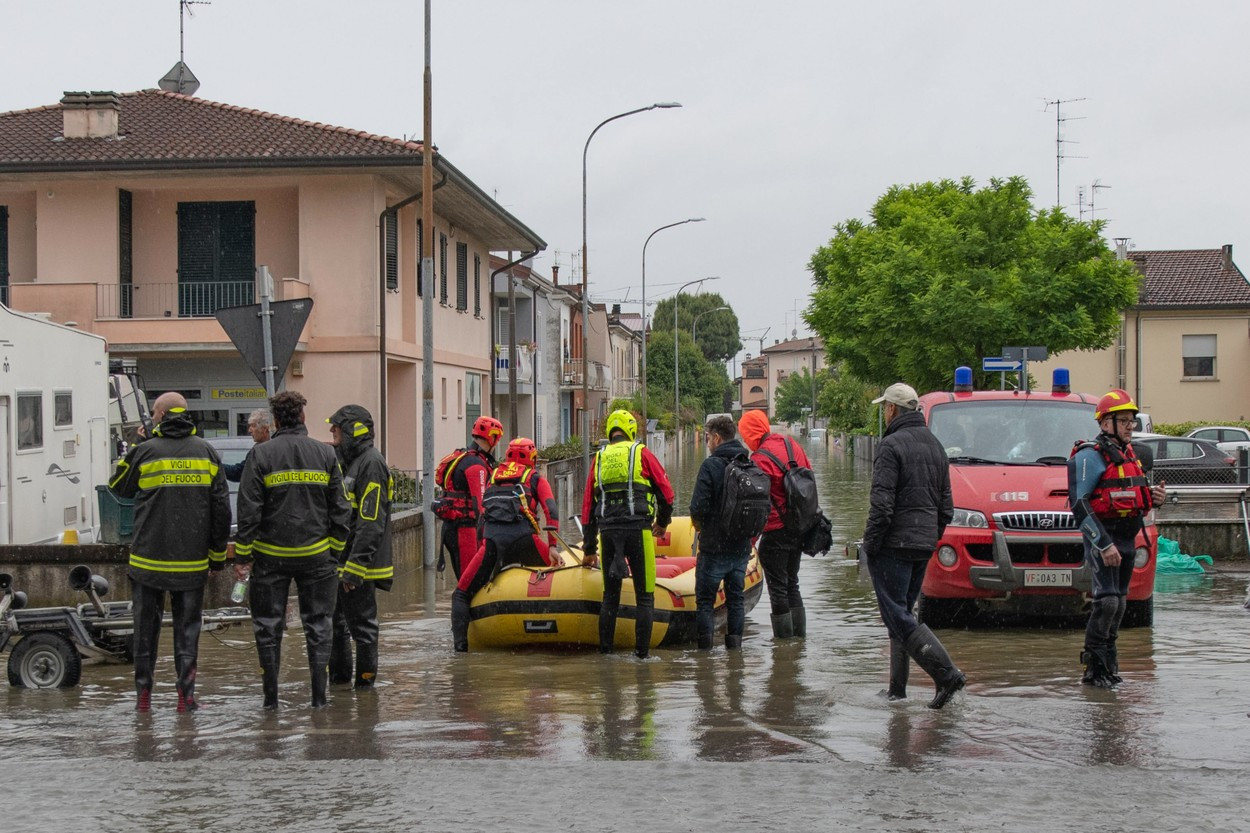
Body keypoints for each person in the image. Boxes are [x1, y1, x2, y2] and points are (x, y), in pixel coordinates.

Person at [108, 392, 230, 712]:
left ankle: (143, 698)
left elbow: (118, 486)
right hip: (191, 563)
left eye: (152, 413)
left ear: (160, 415)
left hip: (148, 561)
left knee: (145, 631)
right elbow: (221, 511)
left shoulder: (146, 451)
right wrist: (217, 556)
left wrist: (138, 446)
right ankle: (185, 698)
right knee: (187, 632)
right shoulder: (207, 452)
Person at [233, 391, 352, 709]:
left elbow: (248, 513)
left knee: (267, 627)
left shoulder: (260, 456)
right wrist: (334, 552)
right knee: (319, 625)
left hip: (270, 558)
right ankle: (319, 700)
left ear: (274, 421)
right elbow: (342, 510)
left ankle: (270, 702)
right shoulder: (325, 455)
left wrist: (243, 557)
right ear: (301, 417)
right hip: (317, 557)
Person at [863, 382, 964, 709]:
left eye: (885, 408)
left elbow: (881, 507)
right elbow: (946, 507)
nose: (884, 413)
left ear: (892, 409)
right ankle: (897, 690)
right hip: (922, 544)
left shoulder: (890, 446)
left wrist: (871, 545)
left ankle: (946, 674)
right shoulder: (936, 446)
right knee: (903, 614)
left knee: (897, 616)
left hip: (893, 545)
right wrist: (930, 538)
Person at [1069, 389, 1165, 689]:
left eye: (1131, 421)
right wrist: (1103, 544)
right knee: (1107, 602)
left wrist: (1154, 498)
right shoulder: (1090, 456)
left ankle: (1110, 667)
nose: (1128, 426)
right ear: (1104, 423)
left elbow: (1132, 497)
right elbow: (1079, 506)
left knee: (1120, 603)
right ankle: (1094, 668)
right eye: (1122, 420)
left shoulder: (1129, 456)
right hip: (1104, 538)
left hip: (1126, 538)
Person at [450, 437, 561, 652]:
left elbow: (483, 515)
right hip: (526, 540)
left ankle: (460, 651)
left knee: (461, 594)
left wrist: (484, 547)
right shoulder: (534, 477)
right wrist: (553, 546)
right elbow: (551, 510)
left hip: (493, 544)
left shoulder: (493, 477)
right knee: (562, 573)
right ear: (532, 458)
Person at [581, 410, 675, 658]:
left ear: (609, 431)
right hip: (638, 532)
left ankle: (606, 654)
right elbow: (667, 494)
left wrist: (590, 549)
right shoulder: (641, 453)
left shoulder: (598, 458)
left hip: (608, 533)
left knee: (609, 597)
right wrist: (662, 523)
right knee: (645, 596)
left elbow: (588, 507)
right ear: (631, 430)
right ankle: (642, 656)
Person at [326, 404, 393, 688]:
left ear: (353, 430)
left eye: (336, 428)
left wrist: (355, 569)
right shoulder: (349, 461)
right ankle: (340, 688)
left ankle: (366, 692)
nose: (331, 432)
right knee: (336, 626)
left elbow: (370, 521)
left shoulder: (371, 464)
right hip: (343, 563)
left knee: (363, 628)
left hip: (359, 567)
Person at [738, 410, 813, 639]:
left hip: (775, 533)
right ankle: (799, 642)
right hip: (799, 528)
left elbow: (756, 505)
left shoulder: (759, 459)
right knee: (793, 584)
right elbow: (809, 476)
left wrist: (749, 542)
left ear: (750, 433)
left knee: (778, 588)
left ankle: (784, 649)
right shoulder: (792, 445)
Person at [688, 415, 756, 651]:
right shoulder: (748, 463)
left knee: (705, 602)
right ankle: (735, 655)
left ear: (717, 438)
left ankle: (705, 660)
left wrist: (700, 527)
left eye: (708, 438)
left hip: (713, 548)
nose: (707, 442)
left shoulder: (711, 465)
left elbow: (697, 507)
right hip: (740, 547)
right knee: (736, 600)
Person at [435, 416, 504, 579]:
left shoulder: (463, 456)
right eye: (497, 439)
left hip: (453, 528)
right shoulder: (476, 465)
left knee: (465, 578)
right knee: (470, 580)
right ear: (491, 437)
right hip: (464, 530)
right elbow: (480, 505)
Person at [223, 408, 272, 482]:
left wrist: (216, 464)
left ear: (264, 429)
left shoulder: (261, 452)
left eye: (253, 426)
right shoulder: (258, 450)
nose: (249, 430)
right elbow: (240, 472)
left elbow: (239, 473)